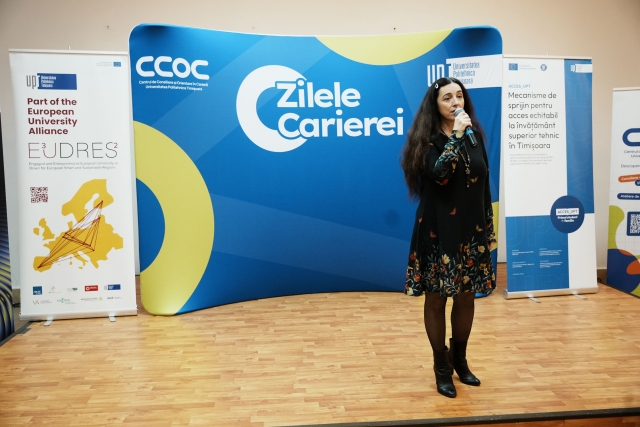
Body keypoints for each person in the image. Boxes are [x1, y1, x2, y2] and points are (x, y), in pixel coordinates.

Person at [401, 77, 496, 398]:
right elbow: (440, 173)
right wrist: (455, 134)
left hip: (471, 230)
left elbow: (484, 184)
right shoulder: (426, 140)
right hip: (438, 231)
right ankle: (441, 368)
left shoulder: (474, 135)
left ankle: (460, 361)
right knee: (437, 297)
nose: (456, 102)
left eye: (459, 96)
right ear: (435, 105)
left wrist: (488, 228)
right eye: (447, 98)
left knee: (466, 296)